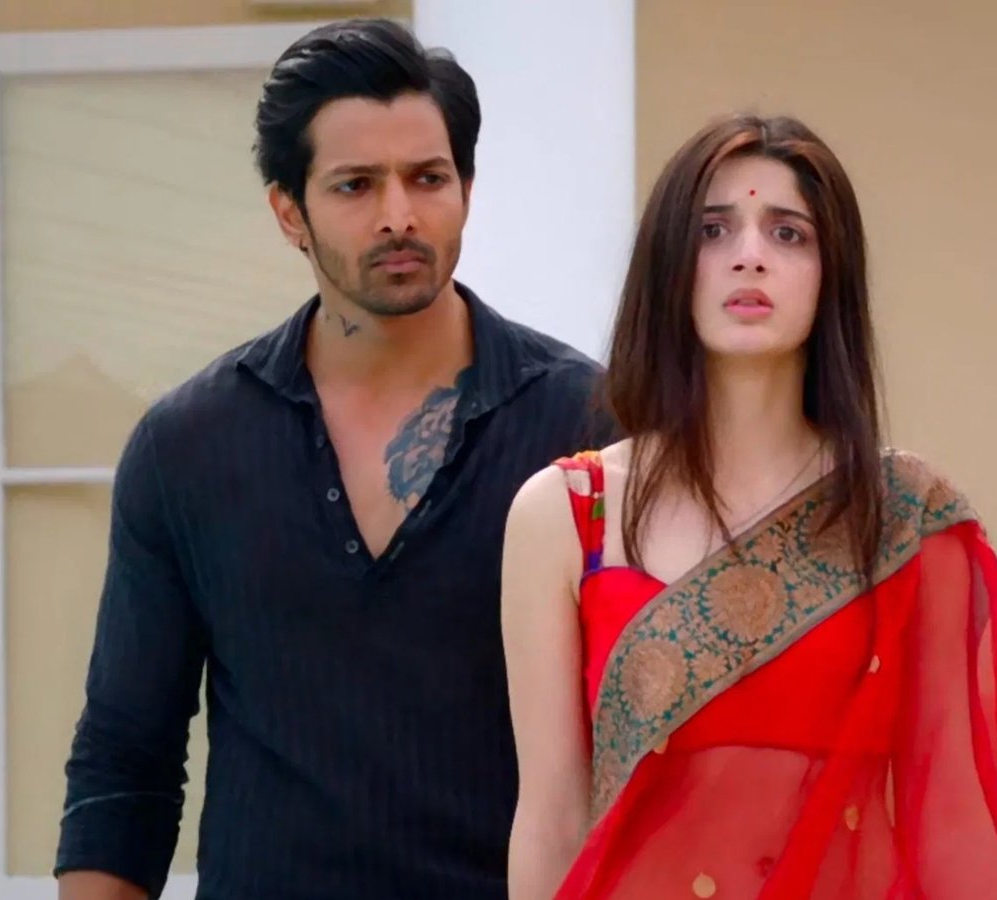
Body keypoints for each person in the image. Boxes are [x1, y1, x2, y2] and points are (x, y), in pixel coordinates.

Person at [500, 114, 997, 898]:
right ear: (667, 265)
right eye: (712, 231)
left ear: (832, 276)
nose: (749, 255)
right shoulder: (569, 515)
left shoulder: (901, 517)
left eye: (788, 233)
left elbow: (952, 816)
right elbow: (552, 820)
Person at [55, 19, 614, 900]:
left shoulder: (590, 427)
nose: (399, 215)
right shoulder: (188, 447)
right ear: (290, 212)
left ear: (467, 189)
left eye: (428, 178)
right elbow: (125, 759)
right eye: (356, 185)